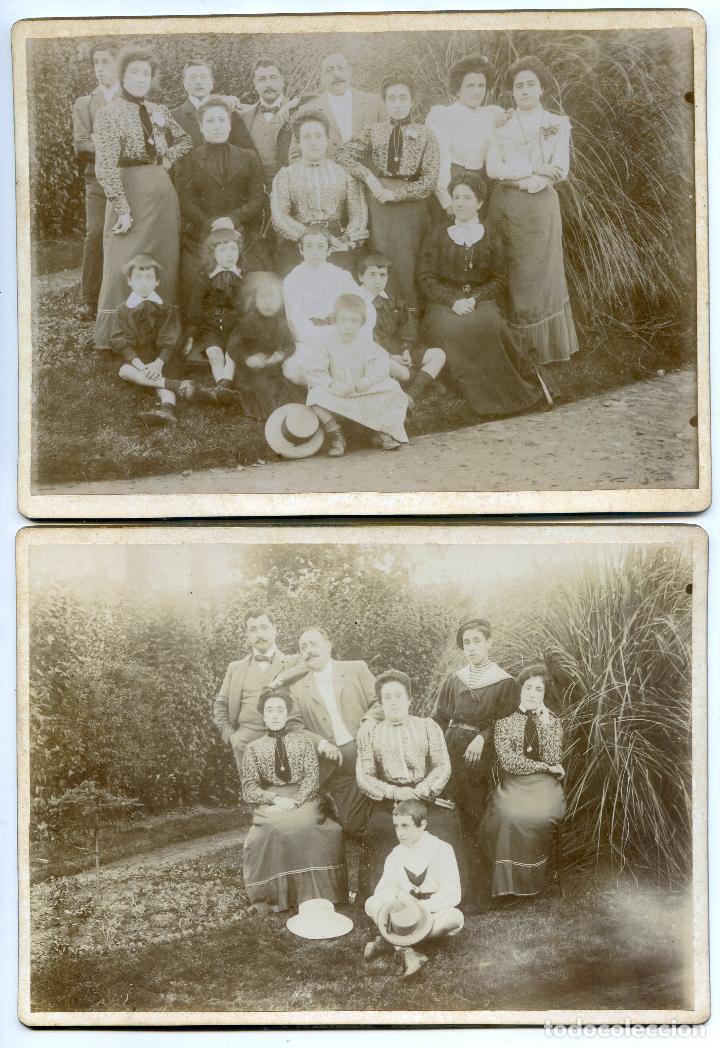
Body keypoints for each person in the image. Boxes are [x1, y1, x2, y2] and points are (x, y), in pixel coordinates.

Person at [417, 173, 550, 418]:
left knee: (490, 325)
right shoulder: (438, 233)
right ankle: (472, 393)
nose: (459, 203)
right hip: (444, 302)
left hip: (480, 298)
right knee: (449, 329)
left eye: (467, 198)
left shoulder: (490, 233)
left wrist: (475, 298)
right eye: (456, 197)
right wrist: (452, 300)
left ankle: (505, 396)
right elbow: (426, 277)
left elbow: (499, 278)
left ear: (479, 203)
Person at [92, 46, 193, 349]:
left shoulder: (159, 111)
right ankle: (116, 337)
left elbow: (186, 139)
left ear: (152, 79)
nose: (140, 78)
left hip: (162, 194)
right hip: (128, 194)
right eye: (134, 72)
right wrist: (122, 209)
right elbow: (105, 167)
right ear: (122, 75)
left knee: (163, 261)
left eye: (145, 73)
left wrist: (167, 159)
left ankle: (162, 333)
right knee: (123, 262)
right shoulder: (109, 113)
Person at [485, 56, 579, 365]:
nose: (524, 90)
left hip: (540, 207)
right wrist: (534, 167)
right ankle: (516, 349)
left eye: (530, 84)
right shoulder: (501, 125)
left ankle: (544, 349)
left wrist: (536, 178)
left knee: (539, 275)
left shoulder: (557, 123)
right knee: (510, 271)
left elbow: (560, 168)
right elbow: (493, 167)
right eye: (518, 86)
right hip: (506, 207)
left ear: (541, 89)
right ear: (512, 92)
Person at [431, 617, 519, 906]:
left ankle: (479, 894)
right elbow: (439, 718)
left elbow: (507, 722)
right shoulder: (454, 680)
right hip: (451, 751)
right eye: (466, 642)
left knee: (473, 818)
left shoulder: (504, 682)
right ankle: (449, 888)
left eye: (476, 641)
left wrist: (483, 737)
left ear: (489, 642)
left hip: (480, 758)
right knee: (447, 816)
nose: (470, 647)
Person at [335, 76, 439, 310]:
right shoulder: (373, 130)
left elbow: (429, 181)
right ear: (385, 102)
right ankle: (382, 315)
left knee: (409, 261)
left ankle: (411, 320)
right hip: (379, 204)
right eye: (391, 98)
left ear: (412, 101)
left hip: (412, 206)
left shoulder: (426, 134)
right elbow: (342, 155)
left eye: (403, 98)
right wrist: (370, 178)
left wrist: (397, 194)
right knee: (382, 257)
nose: (397, 104)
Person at [242, 686, 348, 914]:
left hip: (304, 797)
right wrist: (275, 799)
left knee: (306, 824)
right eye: (269, 710)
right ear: (263, 714)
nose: (275, 714)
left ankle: (318, 893)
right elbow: (249, 788)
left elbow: (312, 778)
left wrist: (296, 801)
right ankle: (271, 897)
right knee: (272, 828)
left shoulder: (303, 742)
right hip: (272, 801)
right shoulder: (253, 748)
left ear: (287, 713)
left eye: (280, 709)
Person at [356, 669, 461, 891]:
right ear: (381, 703)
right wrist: (394, 792)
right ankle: (385, 895)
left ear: (409, 700)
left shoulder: (427, 726)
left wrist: (424, 788)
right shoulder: (371, 734)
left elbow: (442, 765)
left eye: (398, 696)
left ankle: (440, 891)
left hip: (426, 796)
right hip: (390, 801)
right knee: (382, 829)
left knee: (444, 826)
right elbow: (364, 776)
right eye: (387, 698)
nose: (393, 703)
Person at [275, 625, 384, 839]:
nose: (308, 650)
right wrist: (322, 745)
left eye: (314, 644)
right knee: (354, 825)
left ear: (328, 646)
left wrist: (370, 721)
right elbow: (293, 726)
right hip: (338, 765)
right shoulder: (297, 688)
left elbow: (380, 701)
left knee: (389, 807)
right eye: (303, 647)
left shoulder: (356, 668)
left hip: (372, 753)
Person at [481, 663, 566, 903]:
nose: (532, 694)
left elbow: (553, 758)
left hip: (545, 785)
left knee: (538, 816)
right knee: (509, 816)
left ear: (543, 694)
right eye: (528, 688)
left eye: (538, 690)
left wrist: (546, 724)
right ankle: (507, 887)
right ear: (521, 690)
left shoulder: (553, 722)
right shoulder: (505, 723)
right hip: (515, 784)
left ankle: (531, 883)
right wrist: (547, 767)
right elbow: (509, 763)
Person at [174, 95, 266, 307]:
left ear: (230, 124)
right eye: (210, 121)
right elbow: (186, 202)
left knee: (255, 280)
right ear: (201, 126)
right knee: (194, 280)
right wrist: (211, 224)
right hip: (201, 236)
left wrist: (234, 220)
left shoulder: (249, 157)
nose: (217, 127)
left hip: (242, 234)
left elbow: (257, 197)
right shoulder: (189, 160)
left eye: (222, 120)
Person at [364, 799, 464, 979]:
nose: (400, 833)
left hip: (432, 911)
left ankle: (387, 943)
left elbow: (452, 893)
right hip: (402, 914)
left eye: (405, 826)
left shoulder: (442, 849)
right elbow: (382, 890)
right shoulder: (396, 854)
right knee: (371, 903)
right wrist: (400, 896)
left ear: (422, 825)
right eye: (396, 827)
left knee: (454, 918)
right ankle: (409, 952)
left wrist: (422, 907)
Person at [305, 293, 409, 455]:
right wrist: (333, 384)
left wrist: (369, 380)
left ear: (361, 323)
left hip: (363, 390)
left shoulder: (366, 344)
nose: (348, 326)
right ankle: (336, 434)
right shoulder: (327, 343)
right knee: (315, 396)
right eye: (344, 320)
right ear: (335, 321)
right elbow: (315, 369)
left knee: (393, 389)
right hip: (340, 392)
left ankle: (381, 432)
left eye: (354, 321)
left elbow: (379, 364)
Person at [271, 111, 369, 274]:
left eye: (318, 136)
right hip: (299, 243)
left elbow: (358, 213)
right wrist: (307, 235)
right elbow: (279, 217)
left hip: (337, 242)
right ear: (299, 142)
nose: (313, 142)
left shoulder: (345, 173)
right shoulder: (286, 175)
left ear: (327, 140)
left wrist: (346, 242)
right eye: (307, 137)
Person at [213, 607, 303, 780]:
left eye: (264, 627)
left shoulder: (292, 662)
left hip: (284, 741)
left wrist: (282, 677)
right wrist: (232, 737)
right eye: (253, 629)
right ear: (247, 635)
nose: (259, 634)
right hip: (245, 742)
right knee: (255, 798)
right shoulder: (236, 668)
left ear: (276, 630)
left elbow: (310, 664)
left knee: (287, 798)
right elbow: (221, 704)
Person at [281, 225, 374, 386]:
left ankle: (348, 389)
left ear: (329, 250)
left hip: (344, 333)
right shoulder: (293, 279)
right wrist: (322, 341)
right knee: (292, 369)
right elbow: (295, 320)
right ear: (301, 250)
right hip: (311, 339)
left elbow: (365, 306)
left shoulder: (341, 275)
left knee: (363, 364)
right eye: (309, 246)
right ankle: (330, 392)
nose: (314, 252)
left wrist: (361, 332)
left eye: (320, 246)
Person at [356, 253, 446, 409]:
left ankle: (411, 394)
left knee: (438, 354)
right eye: (372, 275)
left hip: (399, 349)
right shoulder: (357, 302)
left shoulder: (393, 299)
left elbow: (407, 324)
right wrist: (390, 356)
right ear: (360, 277)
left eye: (382, 275)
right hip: (377, 355)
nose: (378, 281)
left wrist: (406, 349)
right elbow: (363, 340)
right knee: (389, 367)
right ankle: (427, 385)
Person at [109, 253, 188, 426]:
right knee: (124, 371)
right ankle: (176, 385)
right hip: (138, 358)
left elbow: (171, 336)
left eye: (148, 277)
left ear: (157, 281)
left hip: (162, 357)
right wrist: (141, 366)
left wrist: (159, 363)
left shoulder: (166, 307)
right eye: (138, 278)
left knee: (162, 376)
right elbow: (120, 339)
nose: (144, 282)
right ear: (129, 281)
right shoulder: (123, 309)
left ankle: (167, 410)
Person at [71, 40, 120, 318]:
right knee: (96, 232)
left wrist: (101, 141)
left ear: (118, 65)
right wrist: (115, 145)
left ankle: (125, 294)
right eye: (96, 63)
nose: (100, 69)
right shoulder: (85, 103)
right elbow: (82, 146)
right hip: (98, 182)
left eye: (106, 62)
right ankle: (91, 300)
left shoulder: (131, 98)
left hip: (130, 180)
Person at [425, 53, 505, 217]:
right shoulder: (443, 116)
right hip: (451, 185)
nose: (477, 91)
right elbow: (439, 161)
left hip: (483, 187)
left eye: (481, 86)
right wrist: (447, 202)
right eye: (470, 86)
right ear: (457, 89)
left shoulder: (493, 114)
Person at [227, 272, 305, 418]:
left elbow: (290, 344)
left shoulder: (283, 322)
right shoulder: (247, 322)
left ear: (281, 300)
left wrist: (281, 354)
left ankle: (293, 414)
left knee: (291, 390)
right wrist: (248, 358)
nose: (268, 302)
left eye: (272, 297)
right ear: (254, 300)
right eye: (263, 297)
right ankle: (281, 415)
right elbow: (234, 347)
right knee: (266, 390)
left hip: (276, 368)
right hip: (253, 371)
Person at [183, 225, 246, 395]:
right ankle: (220, 383)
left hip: (236, 327)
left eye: (233, 249)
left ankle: (226, 383)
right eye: (223, 250)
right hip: (211, 326)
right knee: (213, 353)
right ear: (213, 254)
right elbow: (195, 306)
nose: (229, 254)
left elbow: (247, 304)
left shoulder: (242, 276)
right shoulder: (207, 277)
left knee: (232, 353)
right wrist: (191, 335)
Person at [289, 51, 387, 161]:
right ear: (321, 76)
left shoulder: (376, 103)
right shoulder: (307, 110)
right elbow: (295, 157)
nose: (336, 74)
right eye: (329, 70)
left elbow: (389, 148)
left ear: (349, 71)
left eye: (341, 68)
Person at [169, 58, 256, 151]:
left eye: (204, 77)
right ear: (185, 84)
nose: (199, 82)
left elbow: (248, 154)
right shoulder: (173, 118)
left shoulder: (229, 112)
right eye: (193, 77)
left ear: (212, 83)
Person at [237, 58, 295, 190]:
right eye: (262, 79)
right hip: (255, 190)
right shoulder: (244, 116)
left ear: (282, 80)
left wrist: (297, 101)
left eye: (273, 78)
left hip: (289, 188)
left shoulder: (296, 111)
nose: (268, 84)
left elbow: (319, 100)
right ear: (255, 84)